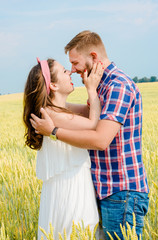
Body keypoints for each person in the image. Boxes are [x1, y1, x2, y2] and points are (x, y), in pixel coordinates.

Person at [30, 31, 149, 240]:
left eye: (75, 63)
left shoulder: (117, 86)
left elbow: (101, 139)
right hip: (104, 191)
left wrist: (54, 132)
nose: (74, 70)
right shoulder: (100, 86)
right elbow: (77, 115)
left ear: (93, 57)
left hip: (121, 192)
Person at [23, 57, 104, 239]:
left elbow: (89, 110)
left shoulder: (60, 108)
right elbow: (93, 123)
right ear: (53, 86)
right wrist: (91, 89)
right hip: (70, 189)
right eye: (64, 71)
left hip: (72, 183)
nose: (70, 72)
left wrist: (88, 80)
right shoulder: (51, 113)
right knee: (77, 229)